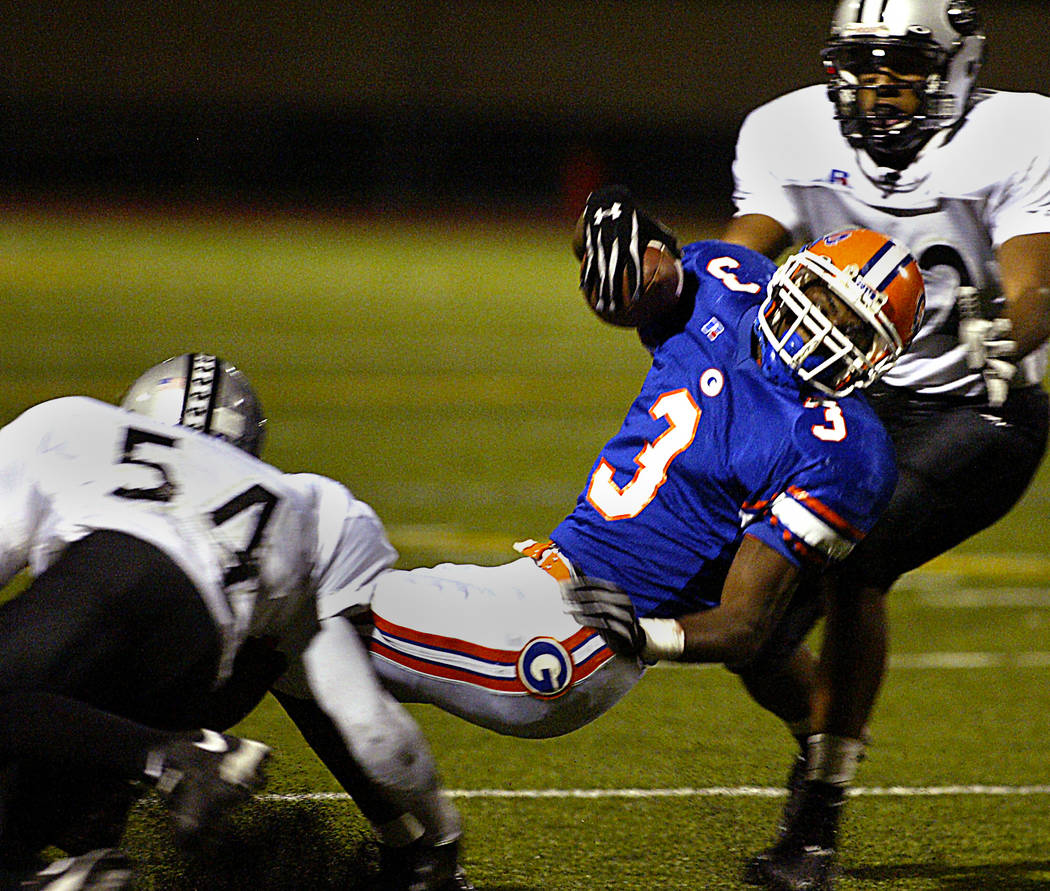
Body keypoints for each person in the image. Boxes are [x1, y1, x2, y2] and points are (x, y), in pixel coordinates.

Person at [307, 205, 923, 798]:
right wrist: (612, 231)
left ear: (877, 355)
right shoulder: (725, 282)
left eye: (847, 323)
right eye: (819, 297)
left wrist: (646, 636)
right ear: (792, 274)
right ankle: (409, 849)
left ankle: (422, 851)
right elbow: (628, 279)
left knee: (304, 625)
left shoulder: (839, 447)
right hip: (532, 579)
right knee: (299, 628)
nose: (820, 323)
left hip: (575, 638)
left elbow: (745, 628)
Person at [719, 1, 1050, 888]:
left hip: (975, 409)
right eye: (862, 67)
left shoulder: (1017, 133)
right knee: (753, 627)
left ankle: (815, 820)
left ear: (954, 66)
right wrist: (667, 275)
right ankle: (829, 735)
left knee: (853, 559)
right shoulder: (788, 129)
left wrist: (1005, 331)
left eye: (899, 66)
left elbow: (1034, 288)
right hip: (850, 406)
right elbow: (734, 260)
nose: (877, 88)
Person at [0, 354, 470, 891]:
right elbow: (371, 728)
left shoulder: (70, 425)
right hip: (190, 674)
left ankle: (174, 761)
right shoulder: (312, 505)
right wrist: (438, 838)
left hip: (100, 614)